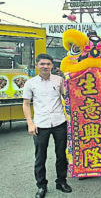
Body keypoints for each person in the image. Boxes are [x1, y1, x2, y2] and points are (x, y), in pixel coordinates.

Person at [22, 54, 72, 198]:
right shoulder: (30, 83)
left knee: (61, 154)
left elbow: (66, 97)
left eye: (48, 64)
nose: (45, 66)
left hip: (59, 122)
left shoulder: (59, 80)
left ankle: (61, 181)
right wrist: (30, 123)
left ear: (52, 66)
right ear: (37, 65)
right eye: (42, 64)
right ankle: (41, 186)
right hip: (40, 124)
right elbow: (26, 104)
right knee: (40, 157)